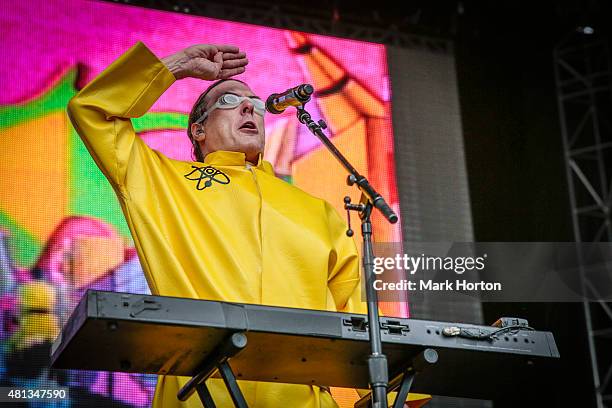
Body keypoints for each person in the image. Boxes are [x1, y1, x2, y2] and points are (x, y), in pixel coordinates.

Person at [67, 41, 429, 408]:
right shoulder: (163, 181)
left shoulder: (316, 211)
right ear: (198, 131)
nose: (248, 107)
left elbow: (358, 320)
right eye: (228, 101)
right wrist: (176, 66)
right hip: (201, 392)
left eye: (256, 104)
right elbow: (93, 110)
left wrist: (392, 395)